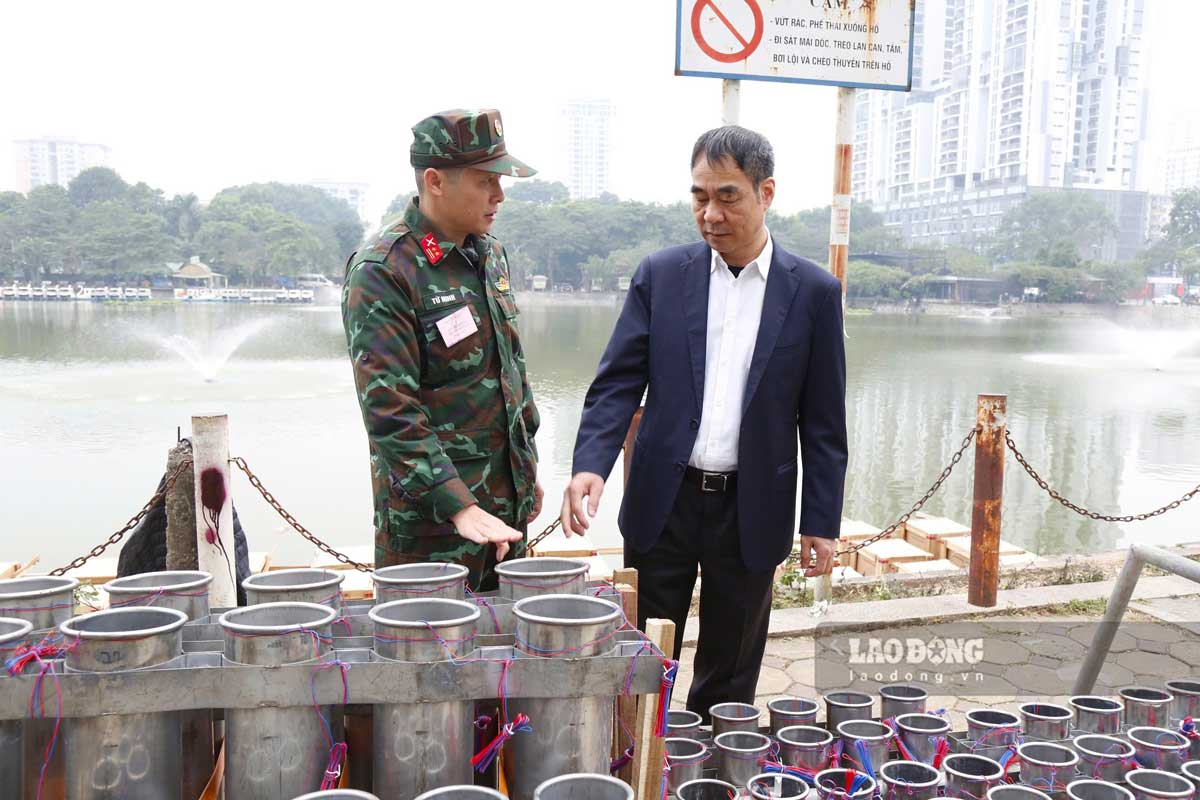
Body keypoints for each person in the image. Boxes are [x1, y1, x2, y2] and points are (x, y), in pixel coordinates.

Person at [561, 125, 848, 717]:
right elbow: (618, 381)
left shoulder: (814, 292)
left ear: (766, 193)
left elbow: (822, 421)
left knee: (731, 666)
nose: (710, 213)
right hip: (663, 500)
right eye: (699, 197)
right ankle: (636, 762)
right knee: (642, 658)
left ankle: (715, 770)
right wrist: (591, 463)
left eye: (727, 196)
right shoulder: (663, 275)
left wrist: (820, 520)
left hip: (752, 508)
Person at [342, 109, 543, 592]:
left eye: (501, 180)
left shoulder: (489, 254)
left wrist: (526, 462)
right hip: (431, 528)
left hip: (504, 515)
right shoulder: (385, 271)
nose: (499, 195)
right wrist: (457, 504)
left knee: (504, 655)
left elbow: (510, 370)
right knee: (425, 659)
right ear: (435, 181)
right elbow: (390, 410)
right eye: (485, 181)